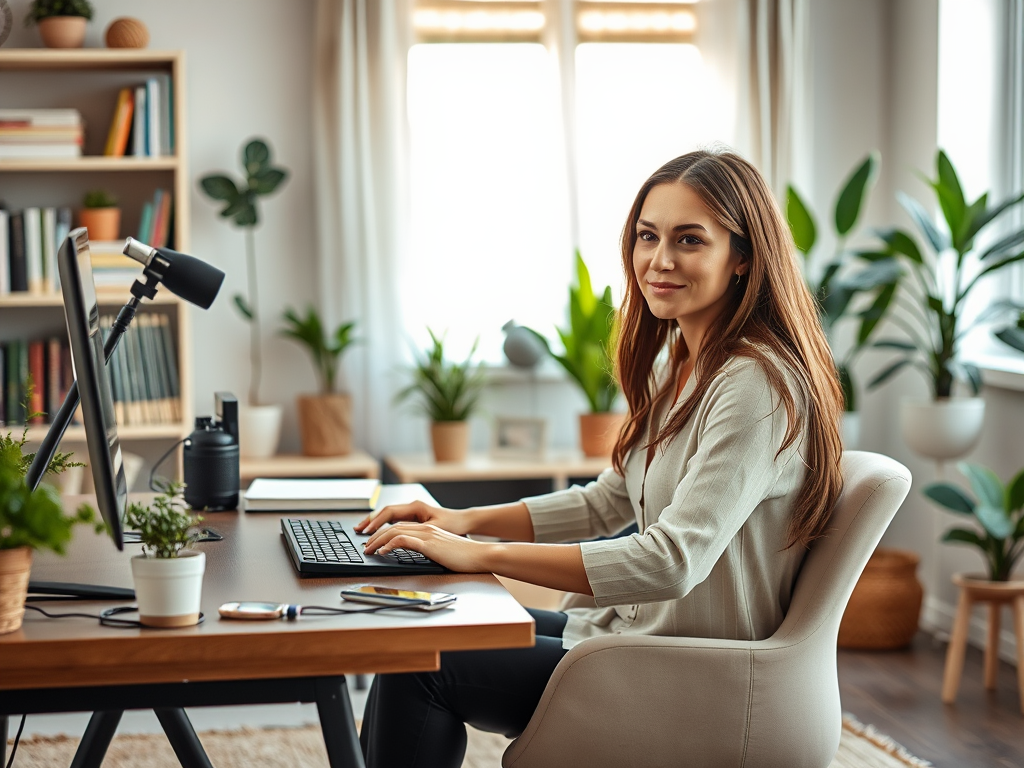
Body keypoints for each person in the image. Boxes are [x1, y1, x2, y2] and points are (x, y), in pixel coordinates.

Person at [354, 148, 845, 768]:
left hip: (697, 672)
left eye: (689, 240)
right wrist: (458, 519)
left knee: (422, 666)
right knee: (424, 632)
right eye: (647, 236)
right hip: (640, 638)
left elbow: (671, 561)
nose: (659, 260)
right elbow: (606, 500)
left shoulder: (754, 384)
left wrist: (480, 555)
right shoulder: (685, 365)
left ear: (743, 257)